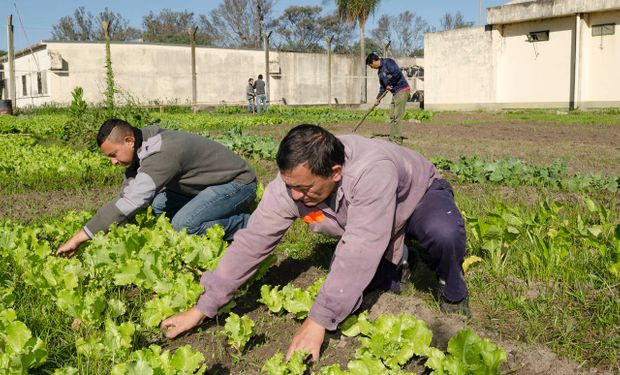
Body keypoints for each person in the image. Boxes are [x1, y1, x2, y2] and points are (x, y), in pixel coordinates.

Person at [161, 124, 470, 361]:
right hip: (370, 217)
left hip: (417, 196)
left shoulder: (370, 171)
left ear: (335, 172)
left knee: (442, 232)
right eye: (289, 186)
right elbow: (252, 242)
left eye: (303, 188)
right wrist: (203, 307)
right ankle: (400, 259)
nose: (294, 196)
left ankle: (452, 288)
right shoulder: (290, 187)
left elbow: (361, 245)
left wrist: (318, 320)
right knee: (373, 284)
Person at [56, 119, 257, 257]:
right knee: (159, 205)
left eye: (113, 155)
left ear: (129, 141)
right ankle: (208, 218)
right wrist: (110, 229)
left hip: (237, 184)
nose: (113, 162)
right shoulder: (141, 143)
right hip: (207, 186)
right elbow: (126, 195)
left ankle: (250, 224)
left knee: (183, 225)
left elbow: (131, 201)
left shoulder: (161, 153)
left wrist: (79, 238)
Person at [366, 52, 410, 145]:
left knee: (397, 116)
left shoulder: (388, 62)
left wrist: (390, 84)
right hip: (395, 93)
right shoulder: (380, 73)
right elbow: (383, 87)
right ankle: (391, 137)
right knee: (392, 116)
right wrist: (378, 99)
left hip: (402, 90)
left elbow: (397, 73)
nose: (371, 68)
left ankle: (396, 140)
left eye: (370, 65)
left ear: (374, 61)